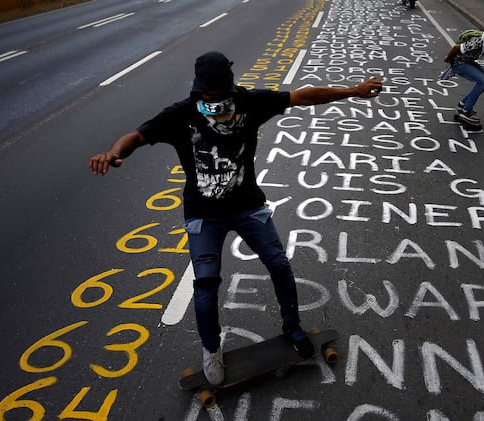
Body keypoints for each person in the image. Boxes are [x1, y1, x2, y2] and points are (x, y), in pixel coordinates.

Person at [89, 51, 382, 385]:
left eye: (222, 97)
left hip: (248, 208)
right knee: (206, 286)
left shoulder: (249, 102)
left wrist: (353, 91)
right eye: (208, 98)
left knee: (280, 265)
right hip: (203, 215)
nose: (216, 105)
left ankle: (293, 328)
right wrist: (113, 153)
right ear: (198, 91)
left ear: (231, 88)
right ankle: (211, 350)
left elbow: (302, 96)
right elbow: (138, 136)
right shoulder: (181, 114)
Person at [440, 16, 484, 131]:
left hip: (467, 60)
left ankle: (462, 105)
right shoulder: (478, 42)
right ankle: (466, 111)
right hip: (459, 62)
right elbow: (456, 47)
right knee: (483, 81)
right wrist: (447, 58)